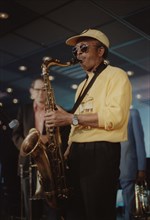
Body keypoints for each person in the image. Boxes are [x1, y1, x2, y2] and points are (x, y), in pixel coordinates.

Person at [44, 28, 132, 220]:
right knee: (76, 213)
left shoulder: (116, 75)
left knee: (97, 212)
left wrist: (69, 118)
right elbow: (77, 123)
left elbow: (115, 116)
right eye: (75, 51)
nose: (78, 54)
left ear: (100, 51)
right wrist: (67, 150)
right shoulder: (82, 85)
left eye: (84, 48)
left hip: (100, 153)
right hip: (77, 154)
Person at [12, 77, 60, 220]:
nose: (41, 93)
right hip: (27, 165)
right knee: (30, 209)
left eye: (44, 90)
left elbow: (62, 135)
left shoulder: (56, 110)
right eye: (37, 90)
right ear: (31, 92)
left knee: (52, 207)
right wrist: (27, 147)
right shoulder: (23, 109)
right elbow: (15, 135)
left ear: (49, 92)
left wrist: (49, 139)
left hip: (49, 164)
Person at [119, 108, 146, 220]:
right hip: (108, 166)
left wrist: (141, 168)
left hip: (127, 164)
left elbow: (139, 142)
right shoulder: (105, 113)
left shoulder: (132, 113)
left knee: (129, 208)